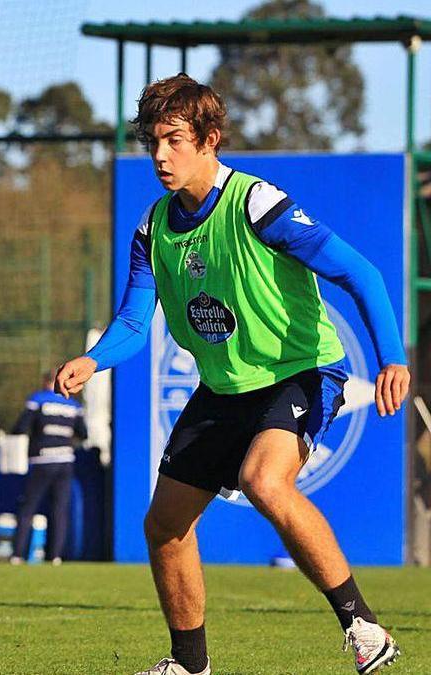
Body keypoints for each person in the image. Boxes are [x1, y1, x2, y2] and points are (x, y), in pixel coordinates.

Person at [54, 74, 407, 675]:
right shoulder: (153, 227)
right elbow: (135, 324)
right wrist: (94, 359)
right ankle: (190, 664)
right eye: (152, 144)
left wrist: (392, 357)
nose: (161, 156)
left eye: (173, 140)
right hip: (224, 389)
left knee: (263, 480)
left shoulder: (256, 204)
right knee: (164, 525)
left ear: (209, 140)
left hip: (301, 371)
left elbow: (362, 274)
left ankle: (364, 626)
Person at [10, 371, 87, 565]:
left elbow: (20, 427)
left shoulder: (38, 399)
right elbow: (83, 433)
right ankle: (54, 556)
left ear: (47, 382)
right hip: (65, 461)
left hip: (41, 460)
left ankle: (18, 555)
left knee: (28, 508)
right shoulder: (73, 405)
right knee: (59, 510)